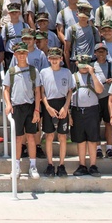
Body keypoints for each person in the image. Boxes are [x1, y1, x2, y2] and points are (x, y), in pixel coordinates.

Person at [3, 42, 41, 179]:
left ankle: (32, 165)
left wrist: (37, 110)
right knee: (18, 138)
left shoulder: (33, 70)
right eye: (19, 53)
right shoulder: (11, 71)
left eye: (24, 53)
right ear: (15, 55)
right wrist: (8, 104)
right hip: (17, 107)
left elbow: (37, 91)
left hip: (30, 106)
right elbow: (6, 90)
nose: (22, 55)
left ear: (27, 54)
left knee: (31, 136)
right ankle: (16, 166)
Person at [68, 53, 105, 176]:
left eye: (86, 65)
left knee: (92, 139)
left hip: (92, 110)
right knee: (81, 140)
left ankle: (93, 165)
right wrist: (69, 115)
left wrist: (93, 73)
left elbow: (100, 90)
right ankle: (82, 165)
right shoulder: (73, 77)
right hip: (77, 110)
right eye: (82, 65)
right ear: (77, 64)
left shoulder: (94, 76)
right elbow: (67, 96)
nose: (84, 68)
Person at [39, 47, 73, 177]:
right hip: (49, 104)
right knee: (49, 135)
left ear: (61, 59)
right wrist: (47, 106)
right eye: (52, 58)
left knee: (62, 136)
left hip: (62, 103)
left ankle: (62, 165)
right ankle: (50, 164)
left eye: (56, 58)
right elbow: (41, 92)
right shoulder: (43, 72)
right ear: (48, 59)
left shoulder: (67, 72)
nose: (54, 60)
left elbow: (70, 91)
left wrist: (65, 107)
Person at [92, 42, 112, 158]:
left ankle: (109, 148)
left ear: (107, 53)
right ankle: (97, 148)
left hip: (108, 97)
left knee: (108, 123)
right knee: (96, 124)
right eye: (99, 51)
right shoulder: (92, 66)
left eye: (103, 51)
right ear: (95, 53)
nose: (101, 53)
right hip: (95, 98)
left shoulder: (111, 65)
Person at [63, 0, 98, 70]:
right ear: (77, 15)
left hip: (91, 62)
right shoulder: (71, 30)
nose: (83, 18)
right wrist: (69, 67)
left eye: (85, 17)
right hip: (76, 62)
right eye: (81, 16)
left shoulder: (94, 30)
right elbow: (66, 50)